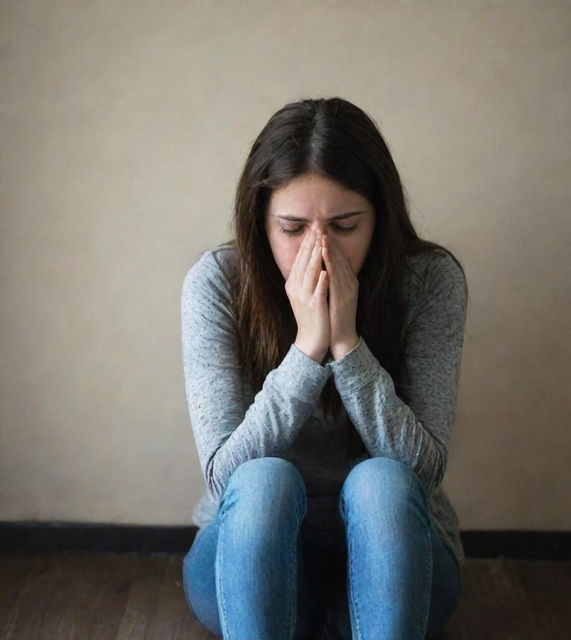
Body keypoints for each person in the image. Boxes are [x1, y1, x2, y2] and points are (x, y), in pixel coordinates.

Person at [180, 96, 468, 640]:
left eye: (345, 225)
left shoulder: (430, 280)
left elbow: (423, 472)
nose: (319, 250)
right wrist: (307, 351)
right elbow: (223, 476)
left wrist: (347, 345)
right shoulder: (217, 283)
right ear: (260, 225)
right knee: (262, 481)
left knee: (384, 482)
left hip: (399, 567)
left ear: (379, 220)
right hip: (248, 564)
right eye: (292, 229)